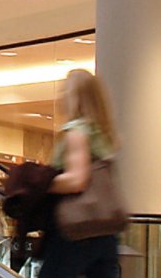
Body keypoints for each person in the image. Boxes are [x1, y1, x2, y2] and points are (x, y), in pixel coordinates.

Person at [41, 69, 122, 278]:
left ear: (75, 96)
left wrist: (41, 183)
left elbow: (77, 180)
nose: (61, 96)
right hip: (105, 230)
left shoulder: (77, 131)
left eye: (65, 90)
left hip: (77, 229)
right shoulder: (102, 134)